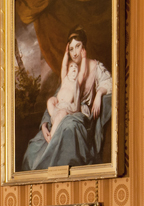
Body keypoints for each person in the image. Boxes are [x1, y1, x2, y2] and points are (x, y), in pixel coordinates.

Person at [22, 27, 112, 171]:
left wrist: (99, 94)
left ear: (84, 46)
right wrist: (44, 125)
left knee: (68, 127)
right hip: (60, 113)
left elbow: (109, 83)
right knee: (34, 147)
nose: (75, 52)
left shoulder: (94, 67)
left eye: (78, 46)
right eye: (71, 49)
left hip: (79, 114)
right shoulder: (70, 71)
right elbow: (58, 99)